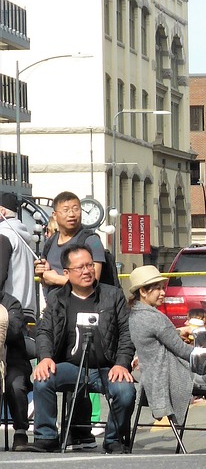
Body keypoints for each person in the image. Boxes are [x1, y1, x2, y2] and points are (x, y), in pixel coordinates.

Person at [22, 244, 135, 453]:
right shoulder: (56, 298)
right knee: (42, 379)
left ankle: (113, 439)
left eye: (90, 265)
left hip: (106, 368)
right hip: (70, 366)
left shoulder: (113, 296)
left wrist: (122, 364)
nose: (87, 271)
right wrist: (45, 357)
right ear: (66, 273)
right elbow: (44, 332)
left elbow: (127, 334)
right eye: (80, 267)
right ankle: (46, 437)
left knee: (125, 391)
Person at [125, 265, 206, 446]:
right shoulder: (156, 318)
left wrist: (177, 332)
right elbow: (183, 351)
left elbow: (159, 339)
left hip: (150, 375)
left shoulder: (136, 315)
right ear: (143, 292)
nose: (162, 293)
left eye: (163, 287)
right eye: (157, 289)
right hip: (172, 374)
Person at [35, 191, 110, 287]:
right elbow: (46, 282)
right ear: (54, 215)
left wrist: (55, 279)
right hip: (54, 301)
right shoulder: (51, 241)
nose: (72, 214)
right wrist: (42, 273)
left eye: (76, 209)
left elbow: (93, 282)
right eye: (65, 210)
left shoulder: (91, 241)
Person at [2, 289, 30, 448]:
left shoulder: (11, 303)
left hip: (13, 361)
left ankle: (20, 431)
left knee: (15, 385)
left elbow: (12, 330)